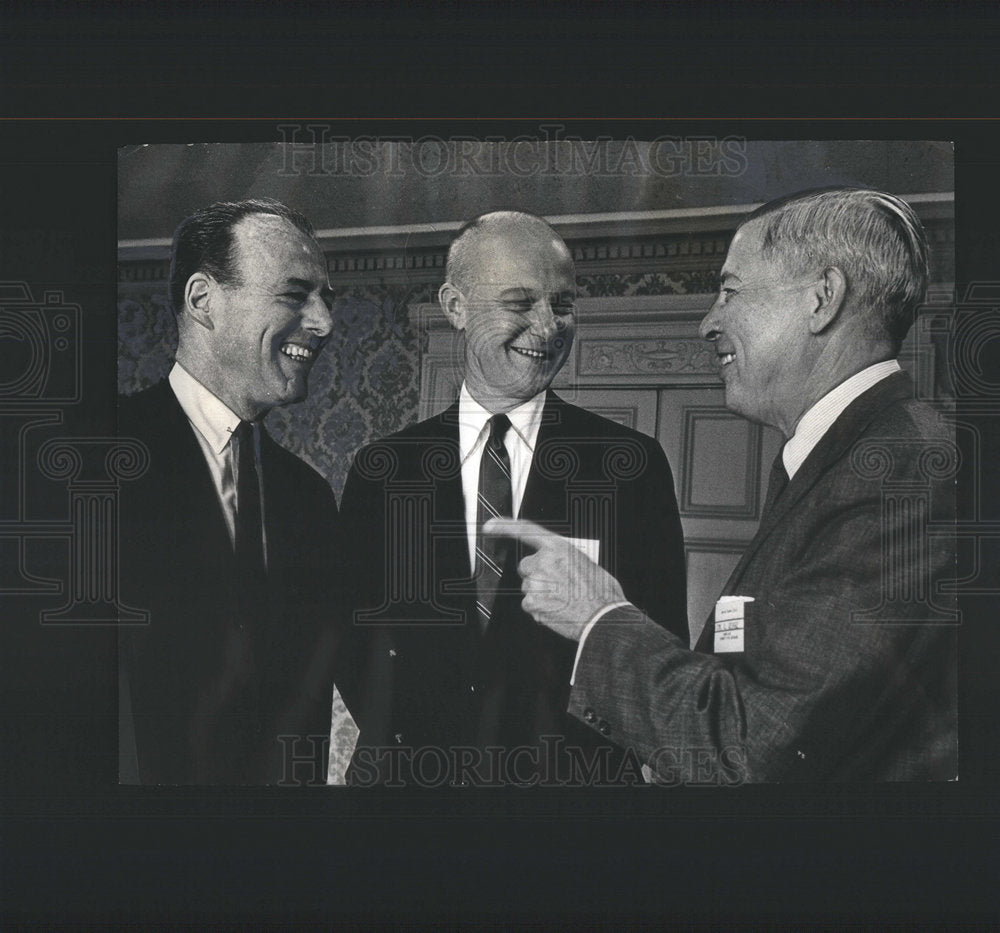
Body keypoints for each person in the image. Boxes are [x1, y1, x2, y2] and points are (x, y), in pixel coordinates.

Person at [488, 187, 958, 783]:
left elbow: (750, 750)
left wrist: (597, 615)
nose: (709, 322)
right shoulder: (842, 459)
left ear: (823, 299)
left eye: (731, 291)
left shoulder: (899, 469)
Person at [340, 210, 687, 785]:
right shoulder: (383, 469)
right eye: (521, 303)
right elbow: (350, 640)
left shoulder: (631, 465)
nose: (548, 327)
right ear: (455, 307)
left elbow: (659, 641)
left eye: (563, 304)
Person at [118, 198, 349, 785]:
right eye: (295, 295)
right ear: (203, 301)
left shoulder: (310, 498)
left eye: (326, 299)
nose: (324, 322)